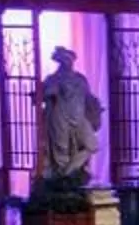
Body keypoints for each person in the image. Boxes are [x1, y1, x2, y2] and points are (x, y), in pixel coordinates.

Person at [36, 44, 102, 182]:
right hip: (60, 118)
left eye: (70, 59)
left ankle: (68, 174)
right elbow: (44, 95)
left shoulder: (80, 78)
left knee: (92, 145)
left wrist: (96, 108)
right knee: (61, 152)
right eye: (65, 59)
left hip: (79, 117)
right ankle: (63, 180)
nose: (69, 62)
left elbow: (88, 97)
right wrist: (47, 93)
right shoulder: (53, 79)